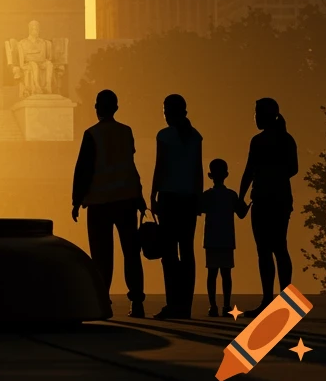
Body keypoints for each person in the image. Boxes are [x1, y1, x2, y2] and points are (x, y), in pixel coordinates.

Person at [72, 89, 147, 318]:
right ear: (116, 108)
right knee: (131, 254)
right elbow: (130, 165)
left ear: (98, 108)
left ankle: (103, 301)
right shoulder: (126, 132)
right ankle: (137, 302)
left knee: (102, 256)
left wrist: (76, 200)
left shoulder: (92, 134)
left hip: (99, 202)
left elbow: (83, 170)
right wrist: (139, 197)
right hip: (125, 199)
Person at [238, 97, 299, 317]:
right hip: (271, 199)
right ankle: (275, 300)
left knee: (272, 249)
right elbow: (251, 170)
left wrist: (243, 195)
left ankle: (276, 300)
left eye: (257, 112)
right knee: (272, 248)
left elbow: (291, 168)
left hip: (271, 199)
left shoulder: (274, 140)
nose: (255, 117)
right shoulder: (282, 139)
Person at [151, 93, 204, 320]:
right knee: (188, 250)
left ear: (170, 111)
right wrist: (198, 197)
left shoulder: (164, 136)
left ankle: (173, 302)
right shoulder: (195, 136)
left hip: (169, 198)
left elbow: (160, 167)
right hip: (189, 198)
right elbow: (198, 169)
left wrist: (153, 194)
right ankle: (186, 304)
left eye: (165, 110)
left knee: (170, 253)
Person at [198, 158, 249, 317]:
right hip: (226, 238)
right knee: (226, 274)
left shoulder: (207, 195)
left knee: (212, 273)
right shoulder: (231, 195)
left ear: (210, 175)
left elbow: (199, 209)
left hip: (212, 239)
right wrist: (249, 202)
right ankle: (226, 305)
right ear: (226, 174)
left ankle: (213, 305)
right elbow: (241, 214)